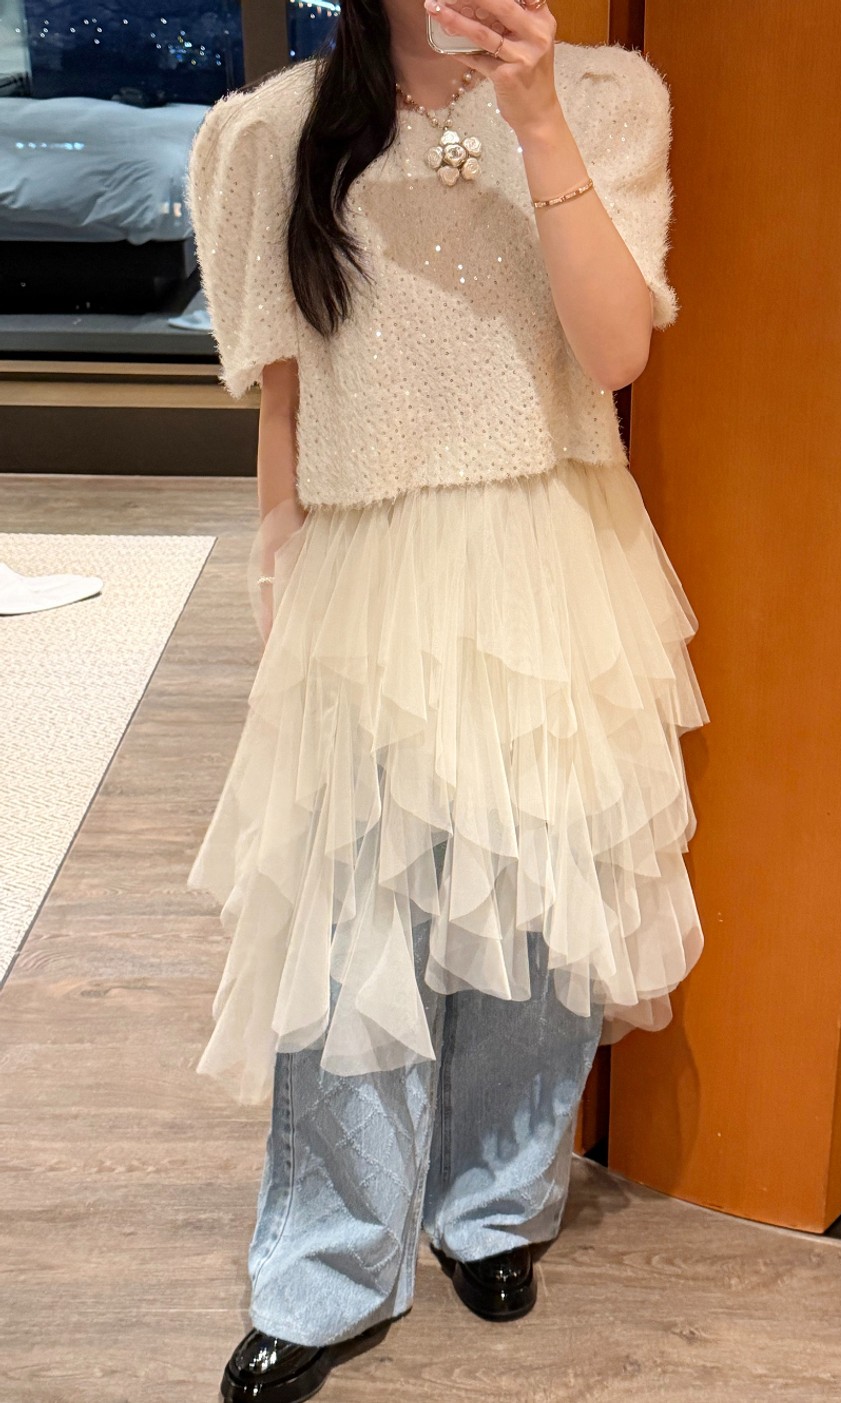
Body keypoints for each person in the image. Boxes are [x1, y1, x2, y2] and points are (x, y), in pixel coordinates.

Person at [185, 1, 709, 1398]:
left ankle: (494, 1205)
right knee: (350, 915)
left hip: (551, 544)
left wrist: (536, 119)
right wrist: (278, 566)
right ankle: (327, 1265)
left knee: (539, 907)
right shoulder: (271, 134)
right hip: (368, 551)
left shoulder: (609, 100)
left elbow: (616, 353)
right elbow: (284, 392)